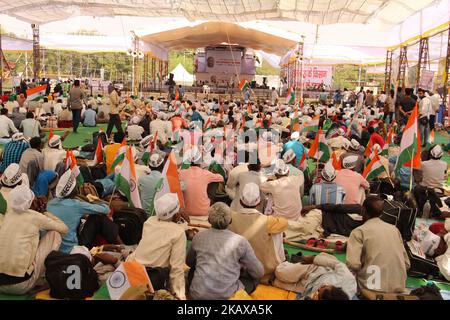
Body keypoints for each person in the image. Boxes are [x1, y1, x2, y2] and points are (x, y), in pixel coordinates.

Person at [0, 184, 68, 295]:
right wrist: (45, 213)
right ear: (31, 201)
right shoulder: (36, 216)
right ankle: (39, 278)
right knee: (55, 234)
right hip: (20, 286)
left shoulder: (7, 214)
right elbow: (64, 229)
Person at [187, 202, 264, 300]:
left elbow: (189, 262)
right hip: (227, 296)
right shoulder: (240, 241)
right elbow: (259, 272)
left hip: (198, 295)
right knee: (254, 278)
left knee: (193, 270)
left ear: (209, 220)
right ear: (230, 220)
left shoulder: (198, 237)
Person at [126, 193, 187, 300]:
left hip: (131, 270)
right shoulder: (178, 232)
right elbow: (176, 268)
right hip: (152, 278)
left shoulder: (149, 222)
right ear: (176, 214)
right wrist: (180, 296)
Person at [346, 195, 410, 293]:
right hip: (398, 289)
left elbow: (353, 264)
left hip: (371, 290)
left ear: (363, 210)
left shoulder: (359, 231)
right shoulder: (394, 229)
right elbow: (406, 264)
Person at [229, 183, 287, 283]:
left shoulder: (230, 217)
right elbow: (285, 223)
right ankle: (277, 263)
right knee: (278, 233)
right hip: (262, 272)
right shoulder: (268, 221)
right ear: (259, 203)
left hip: (236, 269)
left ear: (240, 201)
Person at [46, 170, 113, 253]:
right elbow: (105, 209)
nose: (78, 186)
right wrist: (92, 200)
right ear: (72, 190)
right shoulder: (76, 204)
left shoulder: (50, 203)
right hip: (72, 248)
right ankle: (118, 243)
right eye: (76, 186)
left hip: (54, 247)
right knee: (97, 217)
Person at [274, 252, 356, 300]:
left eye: (319, 292)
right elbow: (337, 264)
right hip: (314, 269)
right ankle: (286, 260)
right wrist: (314, 259)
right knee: (280, 273)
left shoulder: (317, 296)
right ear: (337, 288)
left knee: (276, 283)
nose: (320, 288)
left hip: (307, 287)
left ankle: (293, 264)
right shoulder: (348, 280)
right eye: (324, 286)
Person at [179, 147, 224, 217]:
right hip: (204, 211)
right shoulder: (205, 173)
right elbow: (221, 178)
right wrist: (213, 174)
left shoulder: (181, 173)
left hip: (186, 211)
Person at [138, 151, 165, 216]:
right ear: (163, 165)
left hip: (144, 215)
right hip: (160, 215)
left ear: (149, 166)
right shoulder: (166, 180)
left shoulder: (141, 179)